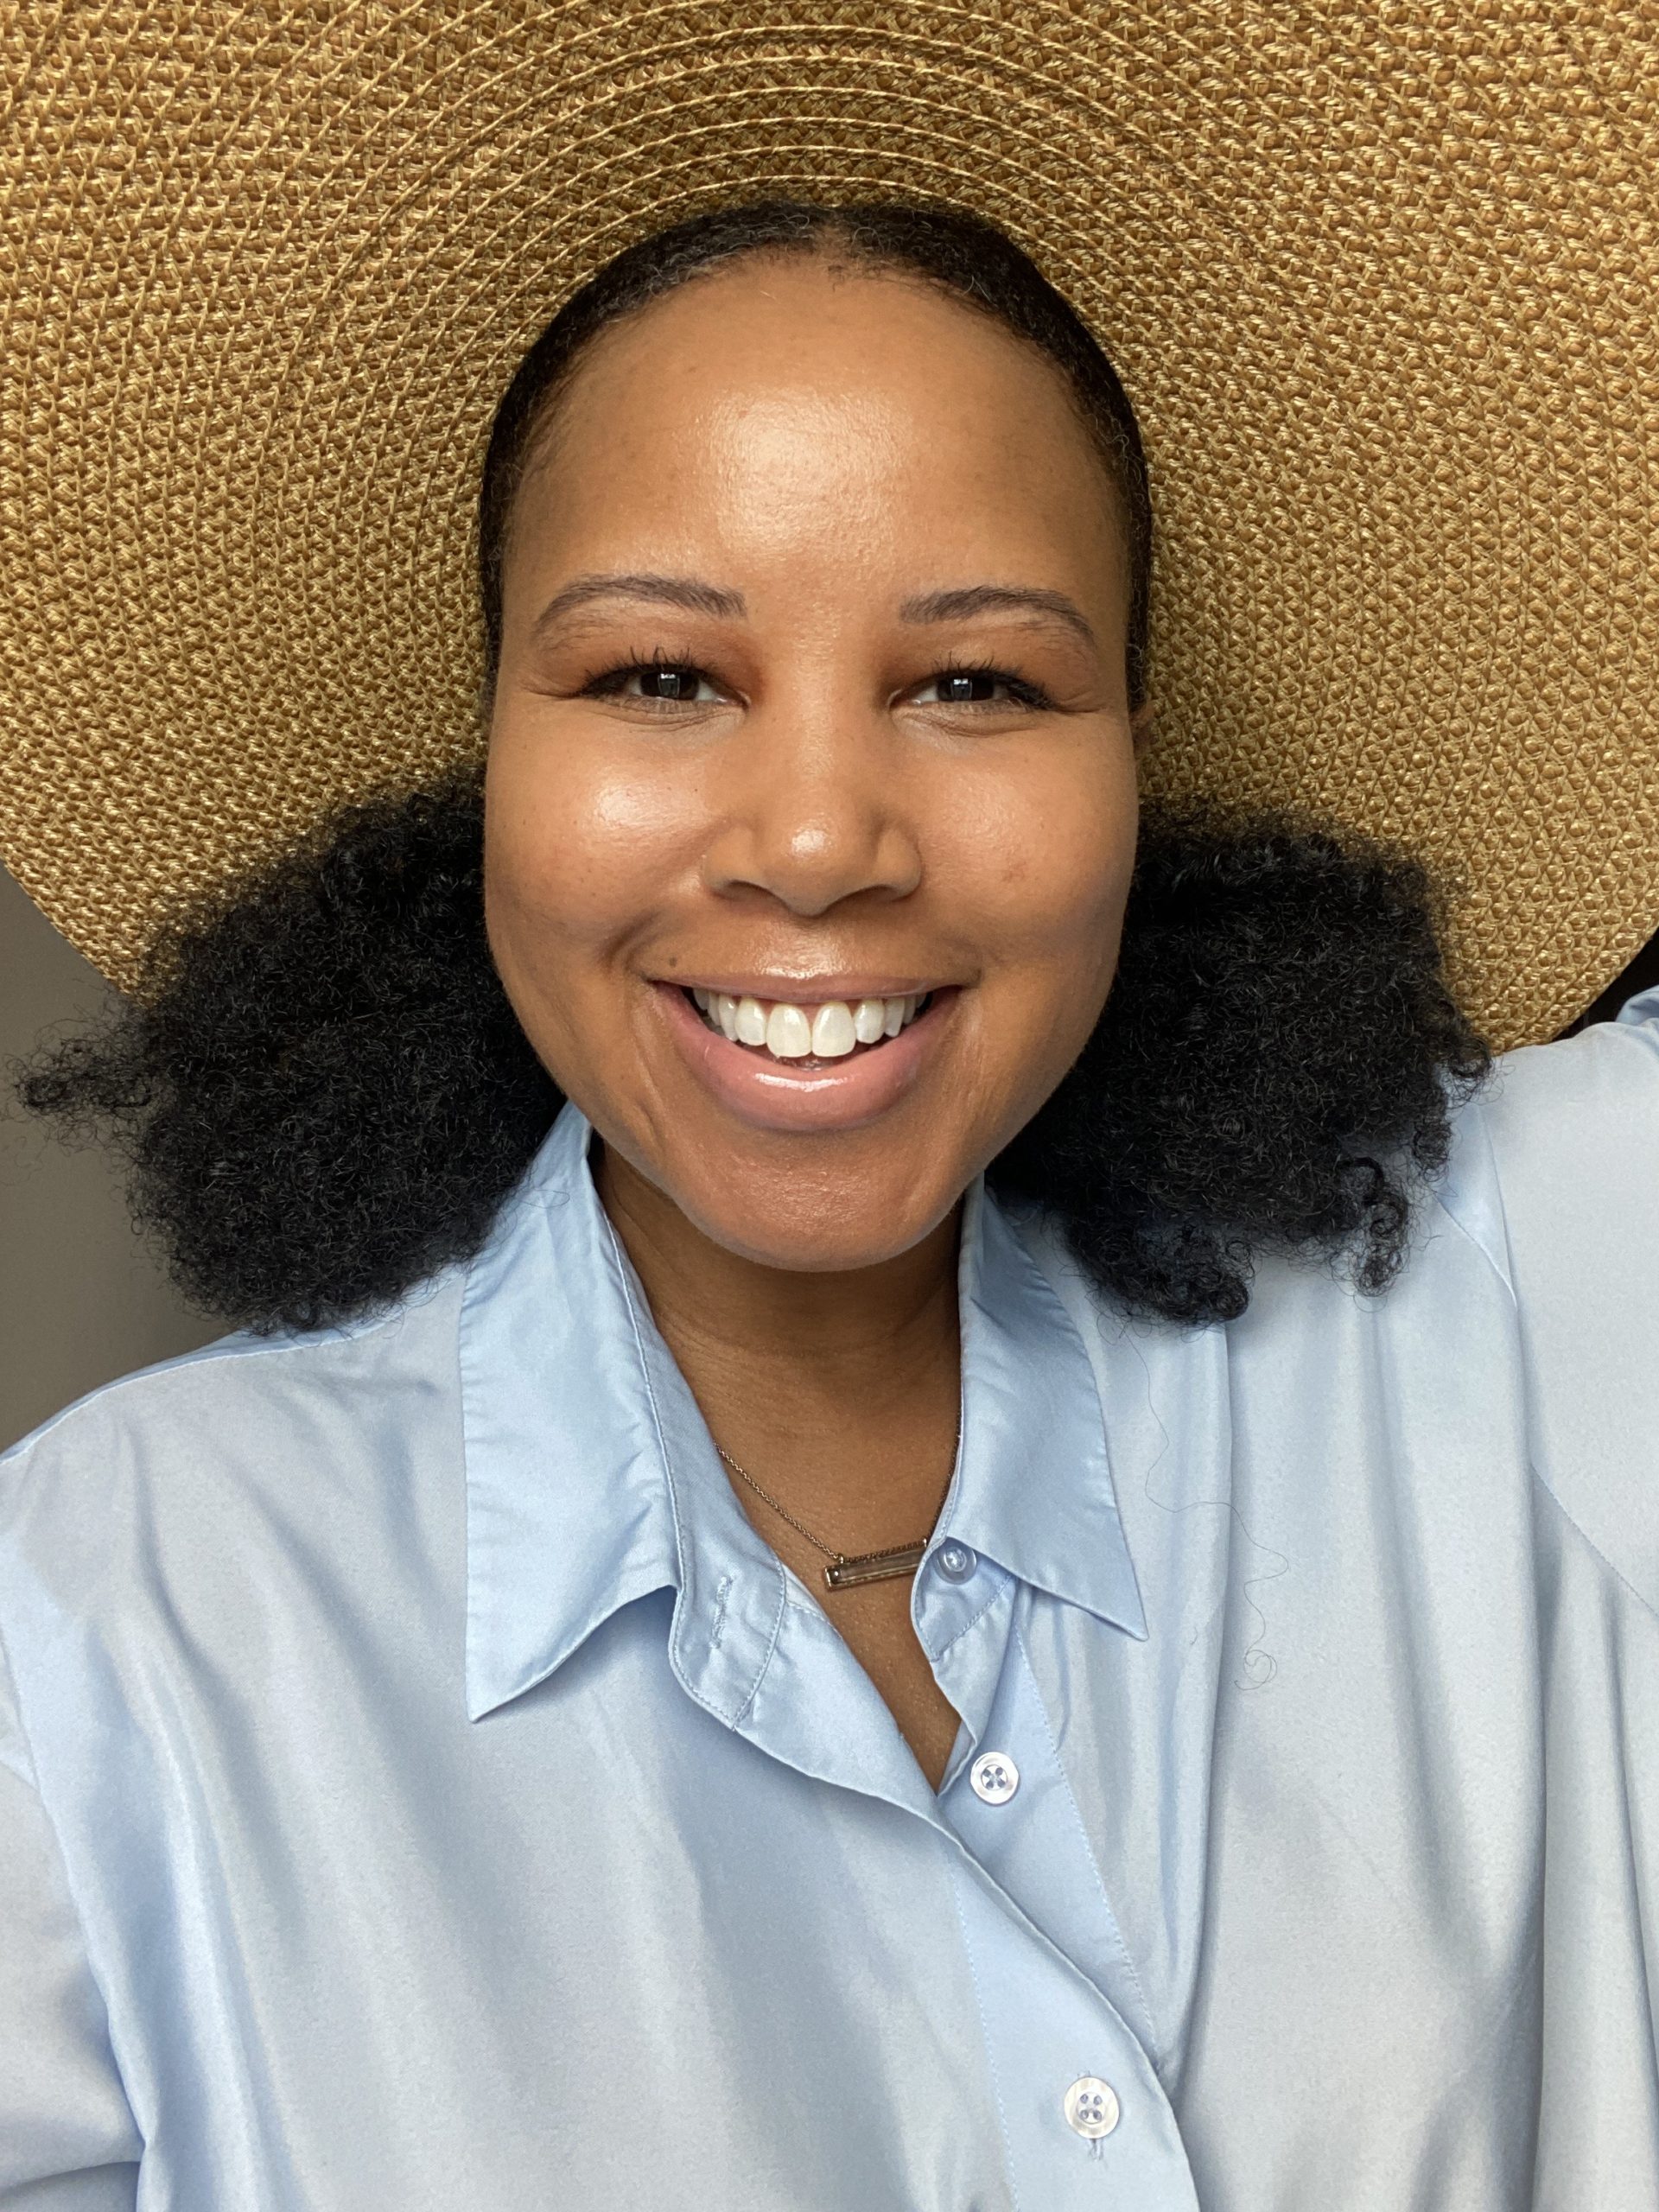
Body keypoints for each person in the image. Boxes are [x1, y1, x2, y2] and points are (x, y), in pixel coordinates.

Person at [1, 15, 1656, 2212]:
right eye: (658, 676)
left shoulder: (1520, 1295)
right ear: (491, 761)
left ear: (1133, 762)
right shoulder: (98, 1624)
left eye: (977, 679)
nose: (812, 839)